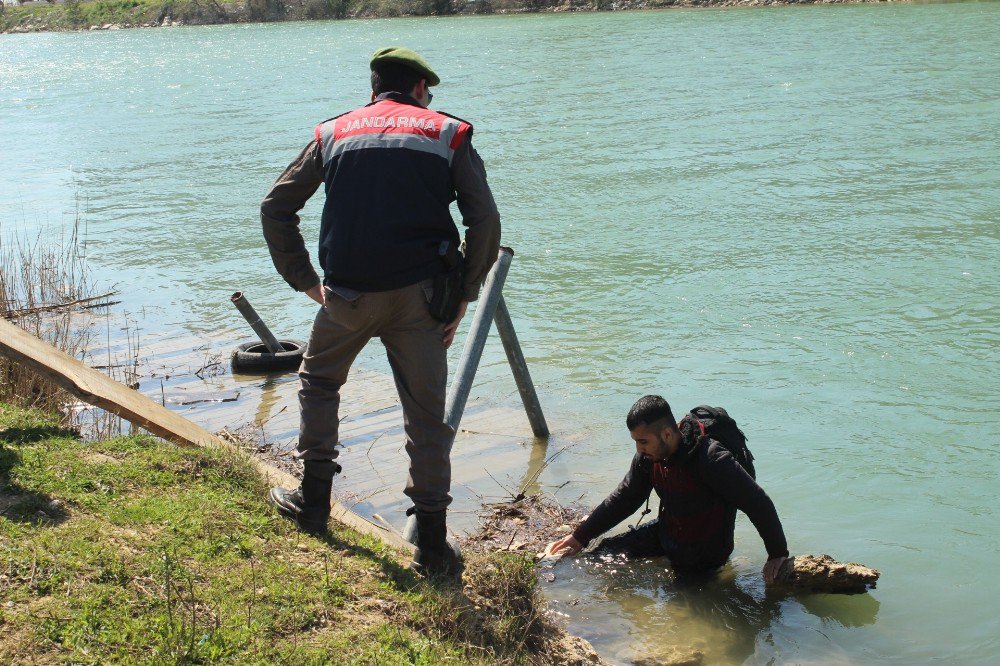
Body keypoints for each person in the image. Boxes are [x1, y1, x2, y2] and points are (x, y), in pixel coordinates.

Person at [259, 47, 501, 578]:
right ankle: (433, 547)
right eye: (428, 93)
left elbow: (276, 207)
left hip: (346, 297)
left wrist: (305, 282)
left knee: (320, 384)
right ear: (419, 89)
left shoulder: (334, 133)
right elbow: (484, 220)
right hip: (422, 299)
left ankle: (314, 502)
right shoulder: (447, 133)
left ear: (375, 90)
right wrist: (465, 291)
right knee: (425, 416)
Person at [545, 395, 789, 583]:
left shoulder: (711, 460)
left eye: (643, 441)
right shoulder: (649, 457)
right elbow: (626, 498)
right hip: (668, 533)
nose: (639, 449)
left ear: (667, 433)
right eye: (636, 442)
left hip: (705, 552)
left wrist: (777, 553)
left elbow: (758, 503)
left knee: (683, 601)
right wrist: (579, 537)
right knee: (602, 554)